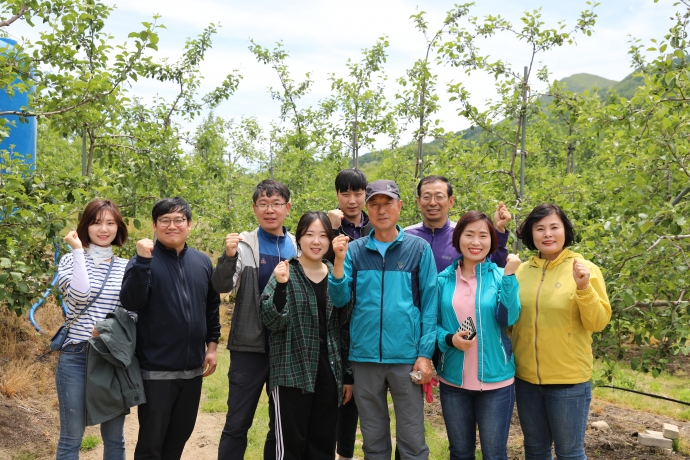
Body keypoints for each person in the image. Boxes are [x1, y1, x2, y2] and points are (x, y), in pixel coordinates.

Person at [329, 179, 438, 460]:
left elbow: (429, 305)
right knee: (373, 438)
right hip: (365, 357)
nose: (381, 210)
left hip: (406, 357)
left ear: (399, 206)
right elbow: (340, 299)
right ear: (368, 209)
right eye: (374, 204)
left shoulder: (419, 249)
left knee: (412, 437)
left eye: (387, 202)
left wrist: (425, 354)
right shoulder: (355, 250)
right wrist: (338, 262)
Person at [120, 197, 221, 460]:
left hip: (192, 371)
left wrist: (212, 346)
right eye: (165, 220)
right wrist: (142, 262)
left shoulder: (201, 262)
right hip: (156, 372)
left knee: (178, 439)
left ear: (189, 225)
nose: (172, 226)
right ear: (154, 225)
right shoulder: (142, 261)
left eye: (179, 220)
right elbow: (131, 301)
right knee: (151, 444)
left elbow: (211, 307)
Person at [512, 204, 611, 460]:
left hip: (568, 382)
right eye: (540, 228)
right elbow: (510, 321)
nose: (547, 234)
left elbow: (598, 322)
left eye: (554, 227)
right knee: (534, 450)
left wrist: (584, 288)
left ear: (565, 230)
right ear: (530, 234)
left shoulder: (583, 269)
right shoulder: (521, 271)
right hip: (526, 380)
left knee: (569, 453)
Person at [212, 179, 297, 460]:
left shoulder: (297, 244)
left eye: (276, 204)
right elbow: (222, 285)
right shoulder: (244, 243)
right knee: (237, 423)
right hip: (248, 347)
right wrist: (228, 255)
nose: (269, 210)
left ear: (287, 207)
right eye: (263, 204)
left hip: (285, 349)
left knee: (281, 424)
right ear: (254, 208)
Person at [260, 211, 353, 460]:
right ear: (299, 238)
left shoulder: (337, 275)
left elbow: (344, 327)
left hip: (329, 373)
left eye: (323, 235)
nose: (316, 241)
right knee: (288, 448)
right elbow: (271, 319)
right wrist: (280, 286)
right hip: (292, 371)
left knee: (322, 447)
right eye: (309, 234)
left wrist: (347, 375)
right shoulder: (286, 272)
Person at [435, 211, 521, 460]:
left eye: (483, 235)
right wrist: (450, 339)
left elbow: (510, 318)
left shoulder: (499, 276)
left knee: (494, 454)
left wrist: (510, 277)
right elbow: (432, 325)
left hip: (496, 383)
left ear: (491, 241)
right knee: (460, 453)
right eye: (469, 234)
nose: (476, 242)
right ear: (458, 238)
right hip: (454, 382)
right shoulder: (443, 280)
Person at [56, 198, 130, 460]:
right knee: (70, 439)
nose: (103, 229)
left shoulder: (126, 267)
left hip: (110, 357)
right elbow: (80, 295)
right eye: (97, 222)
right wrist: (77, 251)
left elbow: (131, 314)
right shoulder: (69, 260)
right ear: (85, 226)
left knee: (114, 439)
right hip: (75, 356)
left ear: (118, 228)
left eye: (110, 223)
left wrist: (106, 329)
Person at [326, 169, 370, 460]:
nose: (352, 200)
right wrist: (331, 231)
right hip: (335, 320)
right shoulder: (327, 225)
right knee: (339, 393)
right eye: (345, 193)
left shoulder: (377, 226)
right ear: (337, 195)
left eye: (357, 193)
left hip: (367, 319)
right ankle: (340, 452)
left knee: (364, 396)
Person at [405, 175, 512, 272]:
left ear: (451, 201)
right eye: (426, 197)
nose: (433, 203)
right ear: (419, 201)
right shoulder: (406, 236)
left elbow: (493, 267)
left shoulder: (462, 234)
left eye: (439, 197)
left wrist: (499, 229)